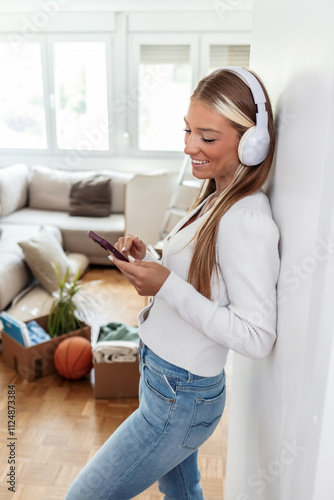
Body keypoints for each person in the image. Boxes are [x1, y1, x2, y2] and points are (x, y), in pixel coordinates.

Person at [66, 67, 280, 500]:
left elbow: (258, 337)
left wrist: (165, 285)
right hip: (163, 380)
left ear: (252, 142)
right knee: (183, 492)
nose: (188, 148)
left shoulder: (248, 219)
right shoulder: (216, 194)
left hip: (180, 399)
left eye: (206, 136)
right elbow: (202, 277)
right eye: (187, 132)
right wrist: (150, 259)